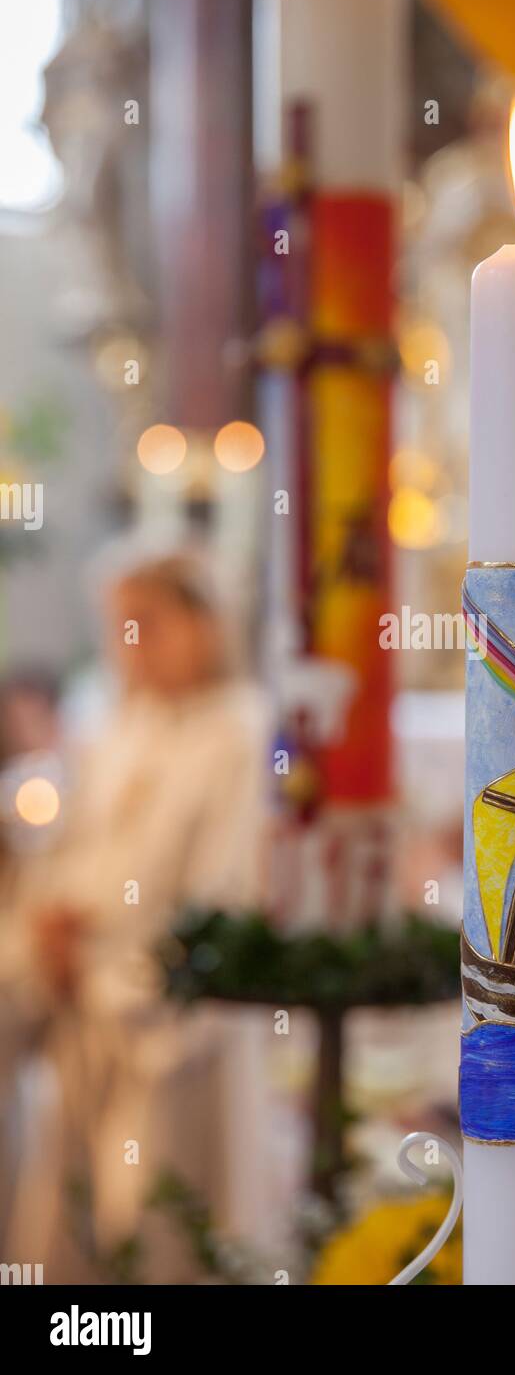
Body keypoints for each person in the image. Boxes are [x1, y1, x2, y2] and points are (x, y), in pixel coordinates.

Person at [1, 542, 269, 1281]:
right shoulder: (117, 723)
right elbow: (64, 851)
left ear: (204, 623)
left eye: (146, 623)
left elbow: (222, 890)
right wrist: (47, 927)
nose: (129, 646)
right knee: (71, 1216)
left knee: (157, 1222)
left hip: (161, 1015)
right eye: (117, 626)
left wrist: (100, 952)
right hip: (82, 1003)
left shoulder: (238, 730)